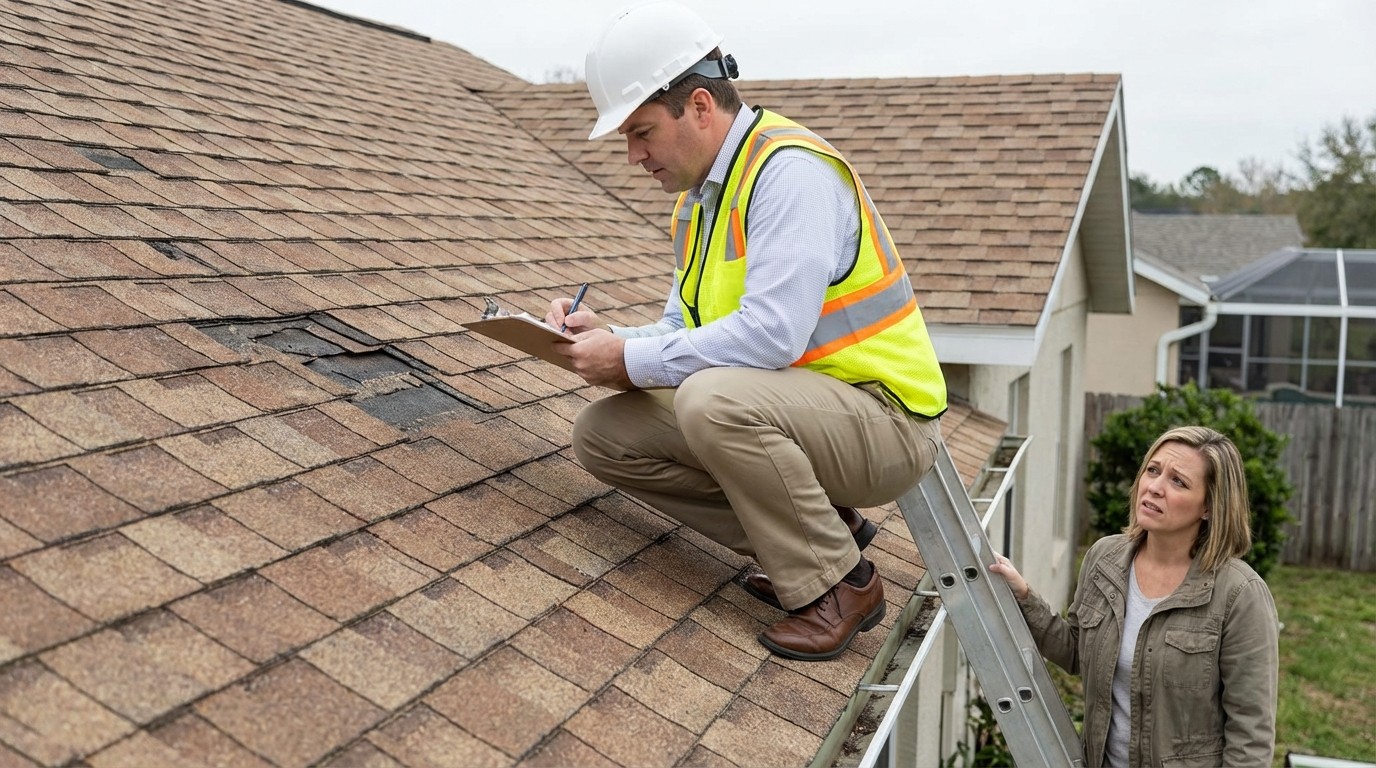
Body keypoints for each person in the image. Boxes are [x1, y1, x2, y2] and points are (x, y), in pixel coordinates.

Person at [545, 0, 948, 661]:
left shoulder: (789, 173)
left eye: (641, 132)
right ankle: (817, 528)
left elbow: (771, 338)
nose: (632, 156)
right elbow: (685, 328)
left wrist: (630, 359)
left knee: (711, 400)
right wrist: (605, 337)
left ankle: (838, 584)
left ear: (700, 107)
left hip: (887, 422)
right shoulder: (701, 201)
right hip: (801, 417)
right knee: (605, 436)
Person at [989, 426, 1279, 766]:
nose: (1154, 487)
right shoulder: (1104, 559)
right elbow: (1077, 653)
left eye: (1178, 481)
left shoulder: (1239, 596)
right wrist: (1023, 595)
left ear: (1209, 507)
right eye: (1153, 470)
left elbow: (1251, 736)